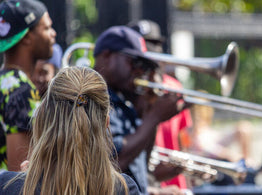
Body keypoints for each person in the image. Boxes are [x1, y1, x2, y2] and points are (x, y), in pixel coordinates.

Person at [0, 67, 140, 194]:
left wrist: (24, 181)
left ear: (43, 118)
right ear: (106, 123)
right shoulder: (125, 189)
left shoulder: (7, 186)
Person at [93, 25, 185, 195]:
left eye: (142, 65)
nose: (139, 71)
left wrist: (148, 110)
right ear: (107, 56)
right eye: (134, 62)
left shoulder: (123, 101)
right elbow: (116, 161)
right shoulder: (94, 99)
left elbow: (137, 163)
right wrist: (154, 117)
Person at [129, 19, 193, 190]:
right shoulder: (127, 95)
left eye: (156, 44)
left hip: (171, 185)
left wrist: (187, 177)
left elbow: (182, 139)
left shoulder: (173, 88)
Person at [0, 0, 56, 171]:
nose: (53, 34)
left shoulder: (6, 81)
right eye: (46, 28)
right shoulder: (20, 90)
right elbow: (19, 175)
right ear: (26, 37)